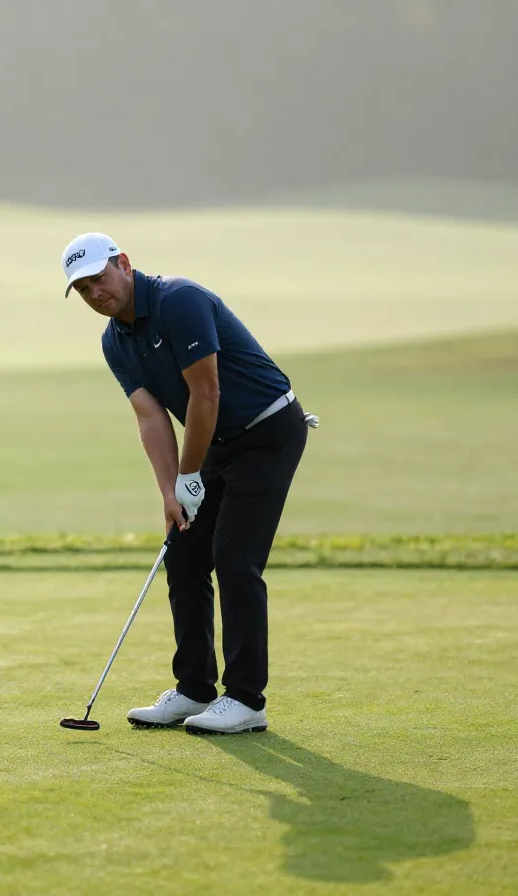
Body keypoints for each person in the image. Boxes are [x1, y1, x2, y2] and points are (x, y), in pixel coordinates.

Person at [61, 232, 318, 735]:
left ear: (124, 263)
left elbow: (206, 392)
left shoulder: (179, 300)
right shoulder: (114, 341)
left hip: (268, 428)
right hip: (217, 438)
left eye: (99, 279)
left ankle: (246, 700)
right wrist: (170, 492)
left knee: (235, 558)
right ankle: (195, 688)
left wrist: (190, 474)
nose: (95, 293)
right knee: (183, 553)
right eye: (84, 289)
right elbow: (151, 418)